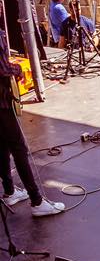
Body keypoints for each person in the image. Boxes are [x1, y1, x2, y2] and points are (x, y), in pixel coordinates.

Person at [0, 26, 65, 217]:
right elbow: (3, 68)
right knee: (18, 149)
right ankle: (36, 201)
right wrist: (17, 68)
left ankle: (10, 191)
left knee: (2, 147)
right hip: (2, 104)